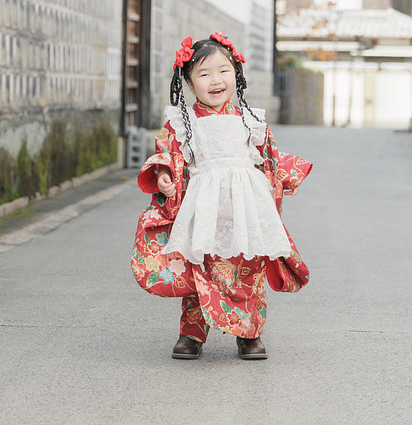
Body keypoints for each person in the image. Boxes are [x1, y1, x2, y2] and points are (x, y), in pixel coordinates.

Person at [131, 33, 312, 360]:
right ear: (188, 81)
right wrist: (165, 176)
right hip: (203, 210)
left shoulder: (251, 120)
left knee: (249, 269)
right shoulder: (181, 123)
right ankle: (191, 333)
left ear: (236, 74)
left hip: (245, 209)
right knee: (200, 268)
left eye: (223, 70)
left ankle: (249, 334)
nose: (216, 80)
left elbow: (269, 156)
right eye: (204, 73)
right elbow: (168, 154)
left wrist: (281, 177)